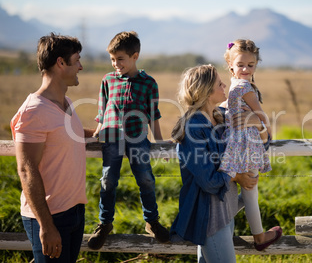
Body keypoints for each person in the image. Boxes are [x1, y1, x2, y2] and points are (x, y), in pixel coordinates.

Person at [170, 65, 281, 262]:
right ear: (205, 91)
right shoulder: (193, 128)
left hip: (226, 210)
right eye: (219, 83)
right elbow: (208, 181)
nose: (225, 86)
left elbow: (255, 146)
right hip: (210, 217)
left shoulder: (221, 117)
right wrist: (236, 176)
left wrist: (258, 124)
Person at [10, 32, 89, 262]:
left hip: (74, 210)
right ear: (60, 63)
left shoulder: (66, 103)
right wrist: (46, 226)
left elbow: (65, 134)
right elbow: (26, 169)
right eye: (77, 61)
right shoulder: (33, 112)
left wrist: (100, 133)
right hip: (50, 217)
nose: (81, 67)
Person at [88, 31, 169, 250]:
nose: (116, 64)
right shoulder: (108, 80)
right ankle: (104, 223)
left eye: (120, 59)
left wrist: (160, 141)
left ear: (135, 56)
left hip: (138, 137)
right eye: (113, 59)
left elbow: (153, 114)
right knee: (108, 181)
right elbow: (102, 109)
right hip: (111, 137)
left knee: (145, 179)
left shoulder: (148, 83)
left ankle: (151, 221)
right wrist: (97, 131)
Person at [219, 39, 281, 251]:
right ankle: (260, 238)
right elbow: (262, 116)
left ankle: (212, 219)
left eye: (251, 65)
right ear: (231, 66)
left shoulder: (233, 87)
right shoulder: (245, 86)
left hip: (235, 144)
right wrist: (267, 127)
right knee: (251, 193)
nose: (245, 69)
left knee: (247, 192)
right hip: (247, 144)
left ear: (256, 65)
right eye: (240, 65)